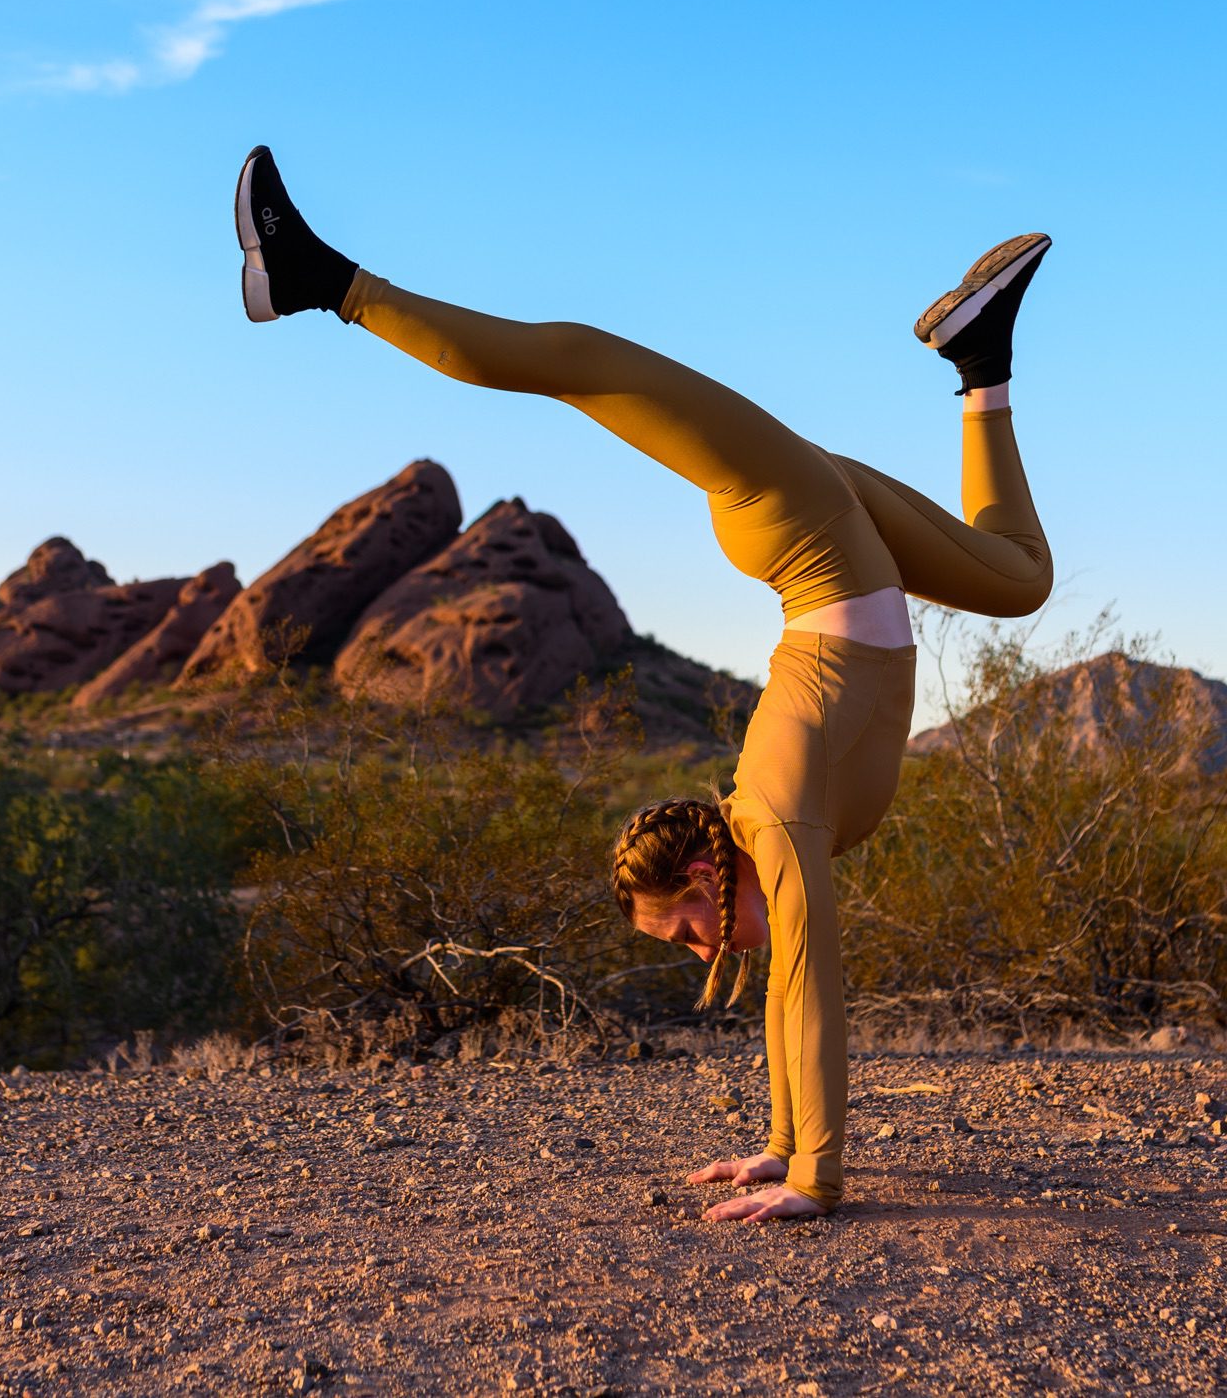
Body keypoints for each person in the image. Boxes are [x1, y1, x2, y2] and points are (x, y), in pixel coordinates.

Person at [233, 145, 1053, 1221]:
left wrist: (815, 1179)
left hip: (788, 505)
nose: (696, 952)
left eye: (678, 932)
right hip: (836, 538)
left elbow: (810, 975)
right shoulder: (772, 832)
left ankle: (321, 281)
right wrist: (775, 1149)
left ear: (702, 882)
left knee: (574, 360)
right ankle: (978, 359)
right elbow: (788, 979)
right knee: (1015, 577)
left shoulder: (773, 792)